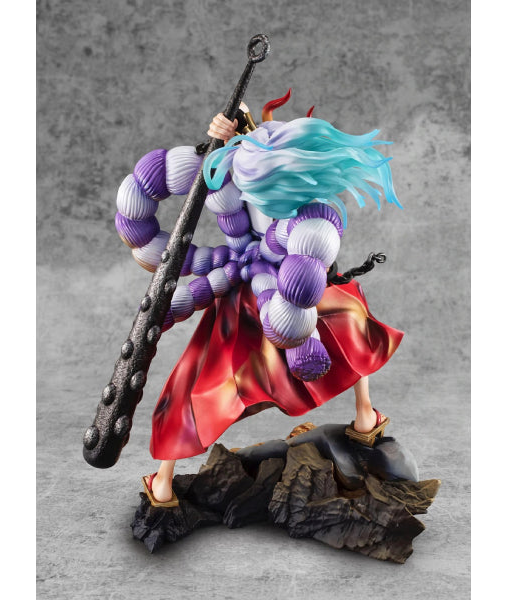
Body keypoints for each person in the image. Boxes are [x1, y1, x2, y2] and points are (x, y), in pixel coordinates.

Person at [124, 93, 403, 505]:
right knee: (208, 376)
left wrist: (229, 138)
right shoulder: (259, 170)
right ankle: (164, 481)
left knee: (347, 321)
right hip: (254, 281)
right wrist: (225, 132)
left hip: (290, 284)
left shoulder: (297, 201)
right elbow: (240, 137)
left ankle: (164, 483)